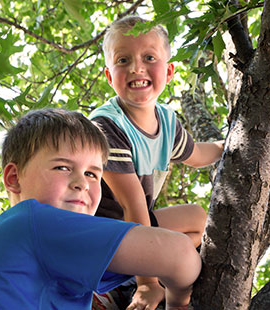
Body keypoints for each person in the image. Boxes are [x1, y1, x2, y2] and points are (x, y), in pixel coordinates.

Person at [0, 108, 201, 310]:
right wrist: (178, 300)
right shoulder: (35, 223)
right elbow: (178, 254)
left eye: (92, 174)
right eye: (63, 167)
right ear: (14, 178)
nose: (81, 184)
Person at [90, 16, 224, 310]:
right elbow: (132, 204)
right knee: (178, 250)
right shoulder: (106, 126)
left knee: (199, 220)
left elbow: (196, 155)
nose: (136, 67)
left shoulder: (166, 122)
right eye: (123, 60)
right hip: (101, 239)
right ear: (110, 77)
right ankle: (121, 285)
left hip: (135, 229)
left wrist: (226, 146)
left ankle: (133, 279)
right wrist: (147, 284)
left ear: (169, 70)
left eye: (149, 57)